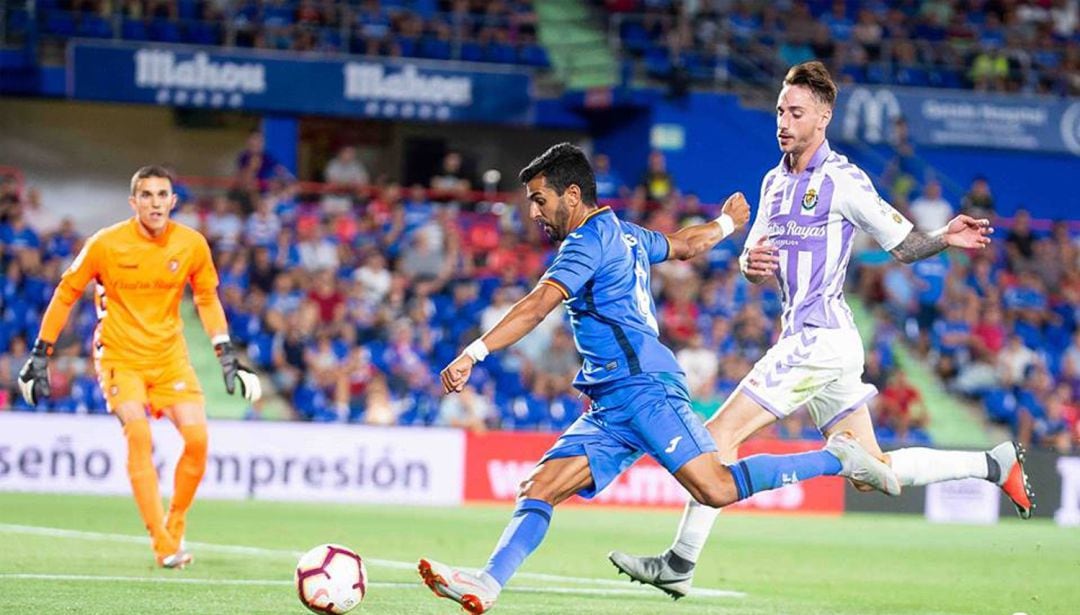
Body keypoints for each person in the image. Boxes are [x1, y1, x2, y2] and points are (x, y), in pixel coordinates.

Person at [608, 61, 1034, 600]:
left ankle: (679, 562)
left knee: (716, 441)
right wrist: (749, 265)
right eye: (780, 111)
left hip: (820, 337)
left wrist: (943, 238)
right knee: (869, 472)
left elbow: (901, 246)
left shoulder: (844, 181)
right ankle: (992, 465)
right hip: (814, 340)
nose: (783, 122)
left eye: (796, 112)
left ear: (824, 117)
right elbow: (753, 256)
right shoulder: (772, 182)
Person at [415, 143, 899, 614]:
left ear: (572, 196)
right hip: (610, 400)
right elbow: (687, 245)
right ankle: (488, 581)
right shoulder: (624, 233)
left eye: (540, 200)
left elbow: (538, 305)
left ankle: (836, 458)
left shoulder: (587, 242)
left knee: (715, 489)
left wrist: (473, 353)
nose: (535, 214)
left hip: (645, 389)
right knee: (540, 486)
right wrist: (727, 223)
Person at [16, 166, 262, 569]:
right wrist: (41, 352)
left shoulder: (192, 245)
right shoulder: (105, 244)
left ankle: (176, 520)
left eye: (161, 194)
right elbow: (66, 293)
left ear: (173, 201)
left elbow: (206, 298)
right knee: (139, 434)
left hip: (169, 358)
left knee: (198, 442)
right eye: (145, 195)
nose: (154, 202)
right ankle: (162, 543)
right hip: (119, 356)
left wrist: (225, 353)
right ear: (134, 203)